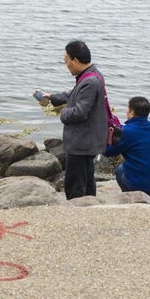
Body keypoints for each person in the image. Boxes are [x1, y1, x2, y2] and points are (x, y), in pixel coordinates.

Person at [38, 40, 108, 199]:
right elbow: (74, 94)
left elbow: (80, 112)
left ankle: (77, 216)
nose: (66, 64)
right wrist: (53, 97)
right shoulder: (92, 74)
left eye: (66, 60)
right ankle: (90, 209)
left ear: (75, 61)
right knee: (87, 181)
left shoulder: (90, 81)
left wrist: (63, 113)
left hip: (81, 143)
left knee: (75, 185)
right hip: (87, 141)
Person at [103, 97, 150, 200]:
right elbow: (137, 134)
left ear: (131, 113)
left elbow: (107, 152)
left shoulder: (126, 132)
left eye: (128, 109)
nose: (126, 111)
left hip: (142, 187)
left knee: (120, 170)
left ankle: (132, 198)